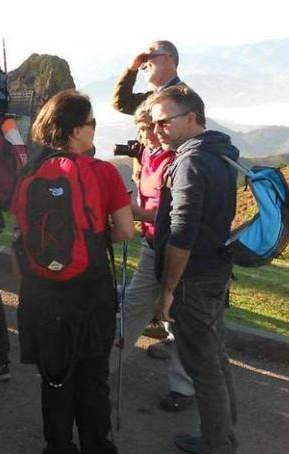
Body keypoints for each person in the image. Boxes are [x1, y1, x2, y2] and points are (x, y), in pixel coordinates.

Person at [12, 90, 133, 454]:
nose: (95, 129)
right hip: (92, 291)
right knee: (92, 378)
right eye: (91, 123)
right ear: (76, 130)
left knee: (56, 378)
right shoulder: (104, 173)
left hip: (45, 294)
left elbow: (26, 233)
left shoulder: (30, 173)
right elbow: (125, 230)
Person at [149, 86, 240, 454]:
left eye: (165, 120)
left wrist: (168, 289)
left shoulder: (191, 162)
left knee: (205, 371)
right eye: (154, 122)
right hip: (215, 272)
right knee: (216, 364)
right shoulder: (219, 153)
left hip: (194, 280)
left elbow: (182, 232)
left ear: (192, 118)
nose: (158, 129)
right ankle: (220, 442)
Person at [112, 40, 195, 412]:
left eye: (152, 57)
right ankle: (107, 363)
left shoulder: (182, 109)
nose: (152, 132)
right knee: (139, 302)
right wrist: (132, 69)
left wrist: (131, 212)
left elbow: (177, 213)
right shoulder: (152, 140)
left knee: (178, 309)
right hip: (152, 233)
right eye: (148, 128)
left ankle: (184, 386)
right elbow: (121, 102)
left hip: (175, 237)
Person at [113, 40, 185, 116]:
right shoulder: (153, 98)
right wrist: (132, 69)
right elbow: (121, 103)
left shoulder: (185, 99)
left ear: (167, 58)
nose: (142, 66)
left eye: (148, 57)